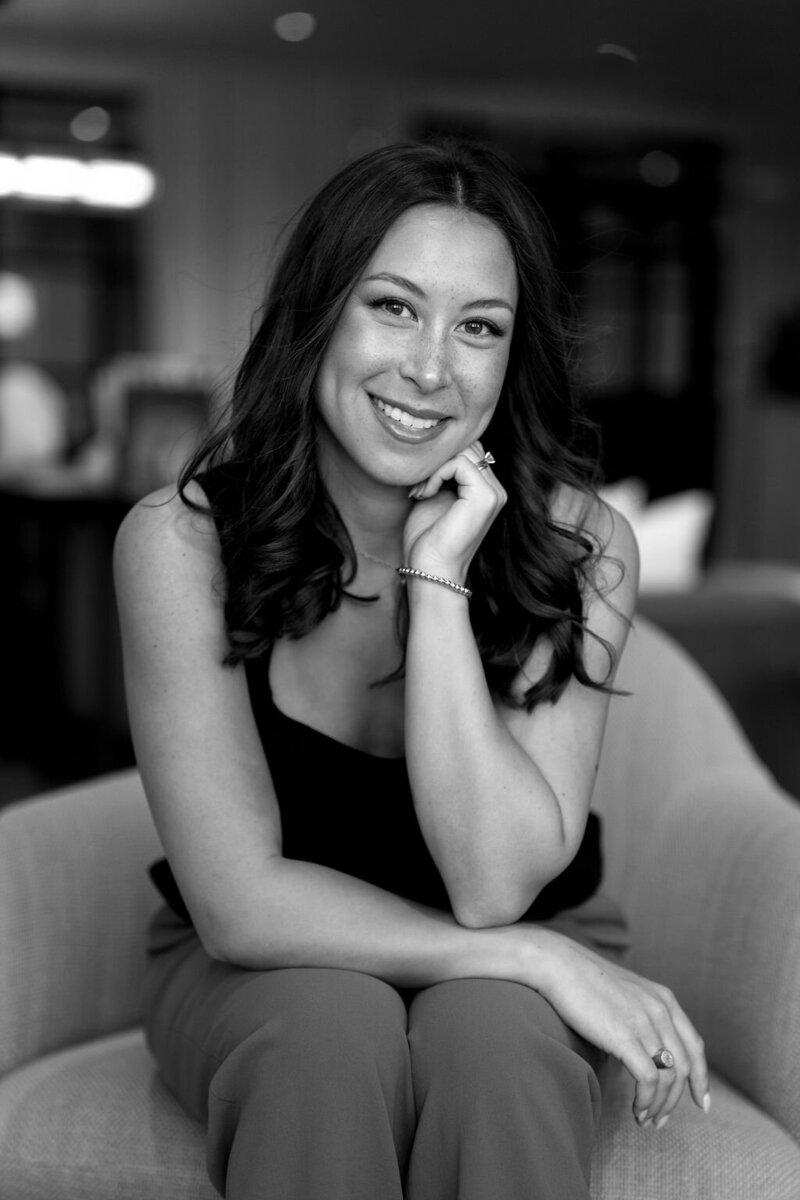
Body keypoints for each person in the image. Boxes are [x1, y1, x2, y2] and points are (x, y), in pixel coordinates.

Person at [113, 138, 709, 1200]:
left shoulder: (580, 543)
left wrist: (437, 584)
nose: (430, 368)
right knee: (323, 1030)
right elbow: (241, 905)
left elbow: (491, 890)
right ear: (318, 314)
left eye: (476, 327)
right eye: (391, 307)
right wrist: (534, 959)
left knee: (495, 1047)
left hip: (526, 925)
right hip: (262, 966)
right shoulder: (180, 542)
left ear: (509, 359)